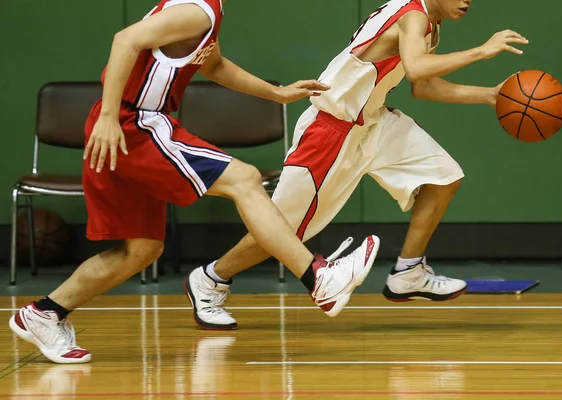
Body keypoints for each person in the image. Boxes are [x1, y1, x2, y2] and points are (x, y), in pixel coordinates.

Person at [8, 0, 381, 364]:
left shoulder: (207, 11)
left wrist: (276, 94)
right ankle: (317, 277)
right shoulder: (195, 10)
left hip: (126, 126)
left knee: (141, 251)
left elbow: (214, 65)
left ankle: (44, 313)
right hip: (133, 125)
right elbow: (125, 40)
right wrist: (108, 116)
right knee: (245, 179)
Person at [185, 0, 529, 329]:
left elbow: (423, 86)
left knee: (444, 175)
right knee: (282, 231)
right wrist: (482, 50)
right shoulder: (414, 16)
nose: (467, 1)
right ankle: (210, 279)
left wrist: (488, 95)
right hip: (331, 130)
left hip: (372, 122)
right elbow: (418, 67)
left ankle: (408, 272)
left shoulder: (429, 22)